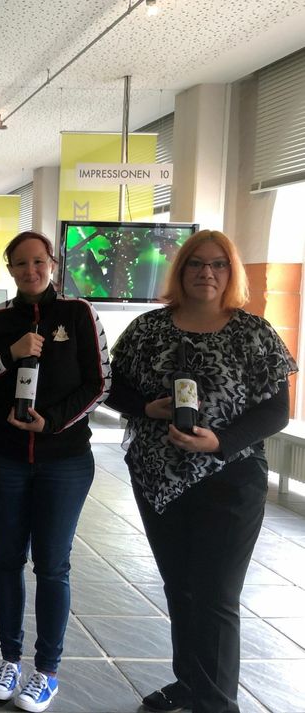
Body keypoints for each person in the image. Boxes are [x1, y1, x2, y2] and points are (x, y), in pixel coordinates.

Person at [106, 230, 295, 713]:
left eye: (218, 265)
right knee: (181, 587)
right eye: (195, 264)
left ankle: (216, 702)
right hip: (159, 482)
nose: (206, 273)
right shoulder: (148, 330)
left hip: (231, 482)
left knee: (215, 595)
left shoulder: (253, 332)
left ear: (232, 273)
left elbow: (276, 411)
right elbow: (111, 388)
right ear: (181, 270)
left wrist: (220, 442)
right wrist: (148, 408)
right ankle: (189, 683)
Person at [0, 231, 110, 712]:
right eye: (20, 264)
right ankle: (9, 659)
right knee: (6, 557)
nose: (31, 270)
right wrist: (9, 355)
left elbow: (100, 383)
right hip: (2, 459)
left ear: (53, 263)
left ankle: (46, 671)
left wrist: (54, 422)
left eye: (38, 261)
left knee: (52, 564)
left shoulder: (79, 314)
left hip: (63, 461)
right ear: (9, 269)